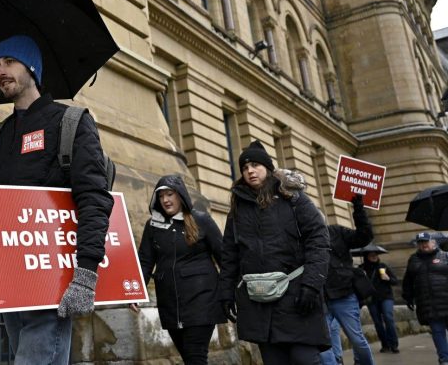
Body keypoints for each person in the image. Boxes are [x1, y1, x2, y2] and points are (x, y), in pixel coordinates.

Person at [0, 35, 114, 364]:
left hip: (53, 276)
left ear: (32, 67)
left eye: (9, 61)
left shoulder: (70, 122)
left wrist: (86, 274)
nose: (0, 71)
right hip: (9, 276)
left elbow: (94, 199)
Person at [218, 140, 330, 365]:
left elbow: (319, 240)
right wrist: (226, 292)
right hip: (259, 301)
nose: (250, 171)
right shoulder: (237, 209)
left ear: (268, 168)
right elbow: (230, 254)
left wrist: (311, 285)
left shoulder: (293, 198)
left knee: (305, 359)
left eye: (255, 165)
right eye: (245, 167)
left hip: (297, 296)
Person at [131, 175, 225, 364]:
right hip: (171, 305)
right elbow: (145, 262)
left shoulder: (202, 220)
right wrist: (136, 292)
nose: (165, 200)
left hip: (202, 302)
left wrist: (230, 291)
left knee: (195, 355)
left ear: (180, 195)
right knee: (189, 357)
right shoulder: (153, 226)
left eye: (170, 194)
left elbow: (225, 256)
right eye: (161, 196)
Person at [319, 194, 375, 365]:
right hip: (319, 300)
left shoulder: (336, 232)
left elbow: (364, 236)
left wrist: (358, 207)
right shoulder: (302, 241)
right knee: (323, 344)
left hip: (344, 295)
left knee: (357, 340)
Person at [402, 232, 448, 365]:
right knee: (437, 332)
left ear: (433, 242)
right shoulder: (413, 260)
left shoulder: (445, 256)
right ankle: (444, 359)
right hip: (429, 304)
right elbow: (408, 281)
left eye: (425, 242)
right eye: (420, 242)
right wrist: (408, 297)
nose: (423, 245)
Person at [359, 249, 399, 353]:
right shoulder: (361, 269)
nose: (374, 256)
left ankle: (393, 344)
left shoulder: (383, 266)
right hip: (371, 299)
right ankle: (385, 344)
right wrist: (362, 277)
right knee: (377, 323)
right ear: (366, 256)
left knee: (388, 317)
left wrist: (388, 279)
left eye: (375, 254)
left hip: (386, 297)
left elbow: (395, 281)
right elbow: (358, 286)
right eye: (371, 254)